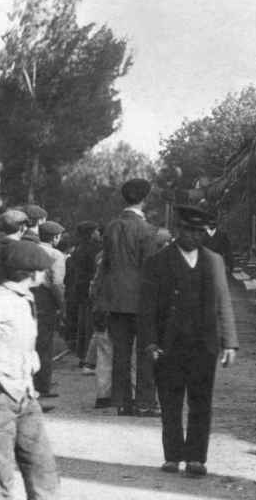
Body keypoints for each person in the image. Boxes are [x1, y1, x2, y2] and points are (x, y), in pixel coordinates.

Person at [140, 205, 238, 477]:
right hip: (168, 346)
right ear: (177, 230)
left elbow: (224, 303)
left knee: (201, 402)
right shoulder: (157, 262)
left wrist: (229, 342)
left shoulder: (214, 260)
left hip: (204, 344)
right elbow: (146, 307)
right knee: (170, 402)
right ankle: (172, 456)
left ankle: (196, 458)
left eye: (198, 232)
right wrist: (150, 343)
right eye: (187, 230)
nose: (193, 236)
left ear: (204, 233)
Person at [0, 240, 61, 498]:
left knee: (43, 467)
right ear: (30, 272)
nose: (46, 273)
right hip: (0, 396)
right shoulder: (1, 300)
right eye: (42, 269)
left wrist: (30, 364)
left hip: (24, 394)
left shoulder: (24, 298)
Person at [97, 178, 158, 416]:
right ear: (144, 199)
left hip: (114, 299)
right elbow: (150, 270)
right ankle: (144, 402)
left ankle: (121, 401)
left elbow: (105, 266)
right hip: (141, 301)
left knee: (120, 353)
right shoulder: (148, 230)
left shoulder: (111, 227)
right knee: (145, 352)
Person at [33, 221, 66, 399]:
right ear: (55, 237)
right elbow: (56, 284)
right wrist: (62, 306)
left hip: (29, 295)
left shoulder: (31, 249)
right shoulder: (56, 255)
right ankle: (43, 385)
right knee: (44, 344)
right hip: (46, 299)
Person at [66, 221, 101, 370]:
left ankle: (81, 355)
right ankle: (88, 357)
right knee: (90, 324)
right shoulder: (93, 249)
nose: (98, 234)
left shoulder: (78, 249)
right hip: (89, 288)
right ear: (91, 233)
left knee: (83, 323)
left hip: (79, 288)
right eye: (96, 231)